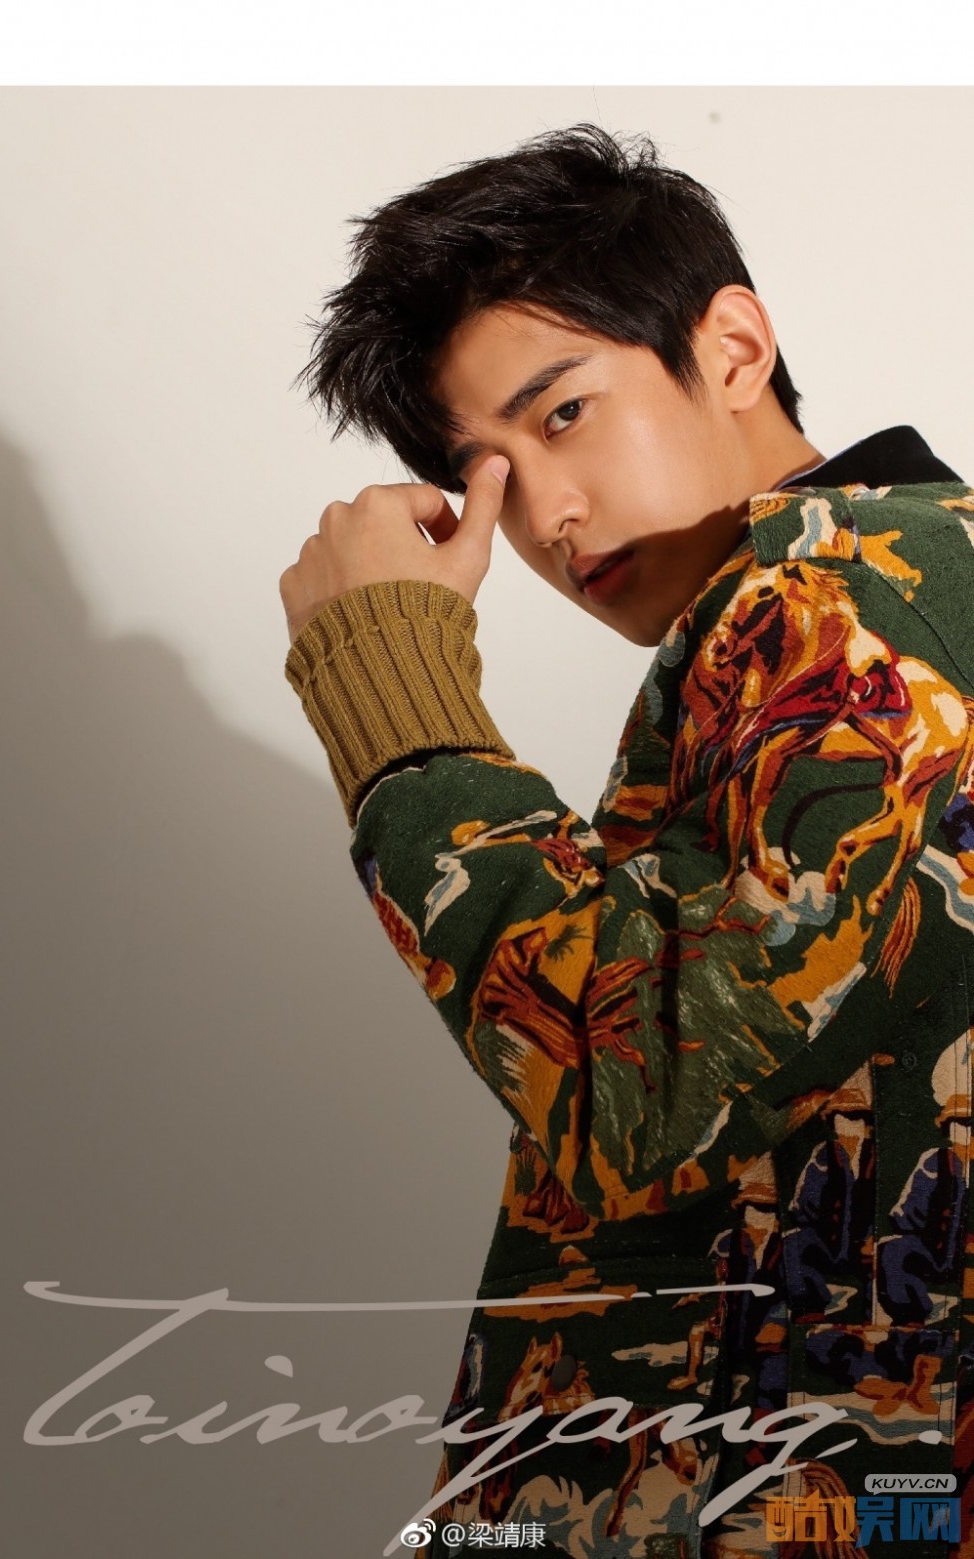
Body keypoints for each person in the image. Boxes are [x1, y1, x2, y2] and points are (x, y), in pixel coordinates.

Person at [278, 124, 974, 1557]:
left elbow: (637, 1088)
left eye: (563, 416)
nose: (547, 515)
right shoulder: (864, 593)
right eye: (486, 470)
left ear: (733, 349)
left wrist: (392, 688)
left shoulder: (841, 596)